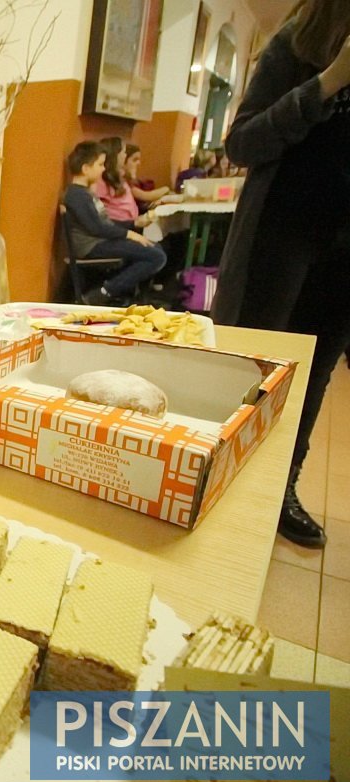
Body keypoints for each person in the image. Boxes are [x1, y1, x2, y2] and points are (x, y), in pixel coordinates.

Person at [211, 1, 350, 549]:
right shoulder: (302, 38)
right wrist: (329, 83)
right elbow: (241, 142)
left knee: (315, 375)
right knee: (253, 371)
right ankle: (221, 480)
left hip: (343, 255)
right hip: (279, 241)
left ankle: (280, 490)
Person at [63, 141, 168, 306]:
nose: (104, 168)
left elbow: (105, 223)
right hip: (91, 246)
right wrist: (130, 234)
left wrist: (133, 223)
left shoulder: (85, 193)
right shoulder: (76, 195)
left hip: (100, 241)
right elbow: (97, 228)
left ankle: (122, 293)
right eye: (100, 164)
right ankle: (105, 292)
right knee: (156, 256)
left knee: (155, 249)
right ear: (85, 169)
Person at [94, 137, 160, 227]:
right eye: (124, 152)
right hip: (122, 228)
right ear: (116, 155)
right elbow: (99, 216)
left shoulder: (120, 177)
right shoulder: (102, 180)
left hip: (134, 223)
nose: (125, 155)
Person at [123, 143, 177, 213]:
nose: (139, 163)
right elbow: (147, 196)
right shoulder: (124, 182)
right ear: (123, 162)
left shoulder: (130, 181)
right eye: (135, 160)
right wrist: (166, 189)